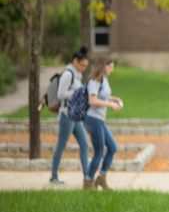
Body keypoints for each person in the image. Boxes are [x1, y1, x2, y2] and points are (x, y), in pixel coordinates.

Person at [49, 46, 90, 186]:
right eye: (82, 65)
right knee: (61, 145)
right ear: (75, 61)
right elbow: (61, 94)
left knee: (84, 144)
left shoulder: (77, 74)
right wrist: (78, 93)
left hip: (75, 115)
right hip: (67, 115)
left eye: (86, 66)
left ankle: (87, 177)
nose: (84, 68)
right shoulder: (68, 74)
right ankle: (53, 177)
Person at [84, 57, 123, 189]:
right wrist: (110, 104)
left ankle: (101, 178)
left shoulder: (104, 79)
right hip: (92, 119)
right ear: (103, 66)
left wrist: (115, 99)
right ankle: (88, 182)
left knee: (112, 147)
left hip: (99, 120)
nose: (112, 69)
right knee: (99, 152)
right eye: (110, 66)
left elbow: (103, 96)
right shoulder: (94, 81)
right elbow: (93, 100)